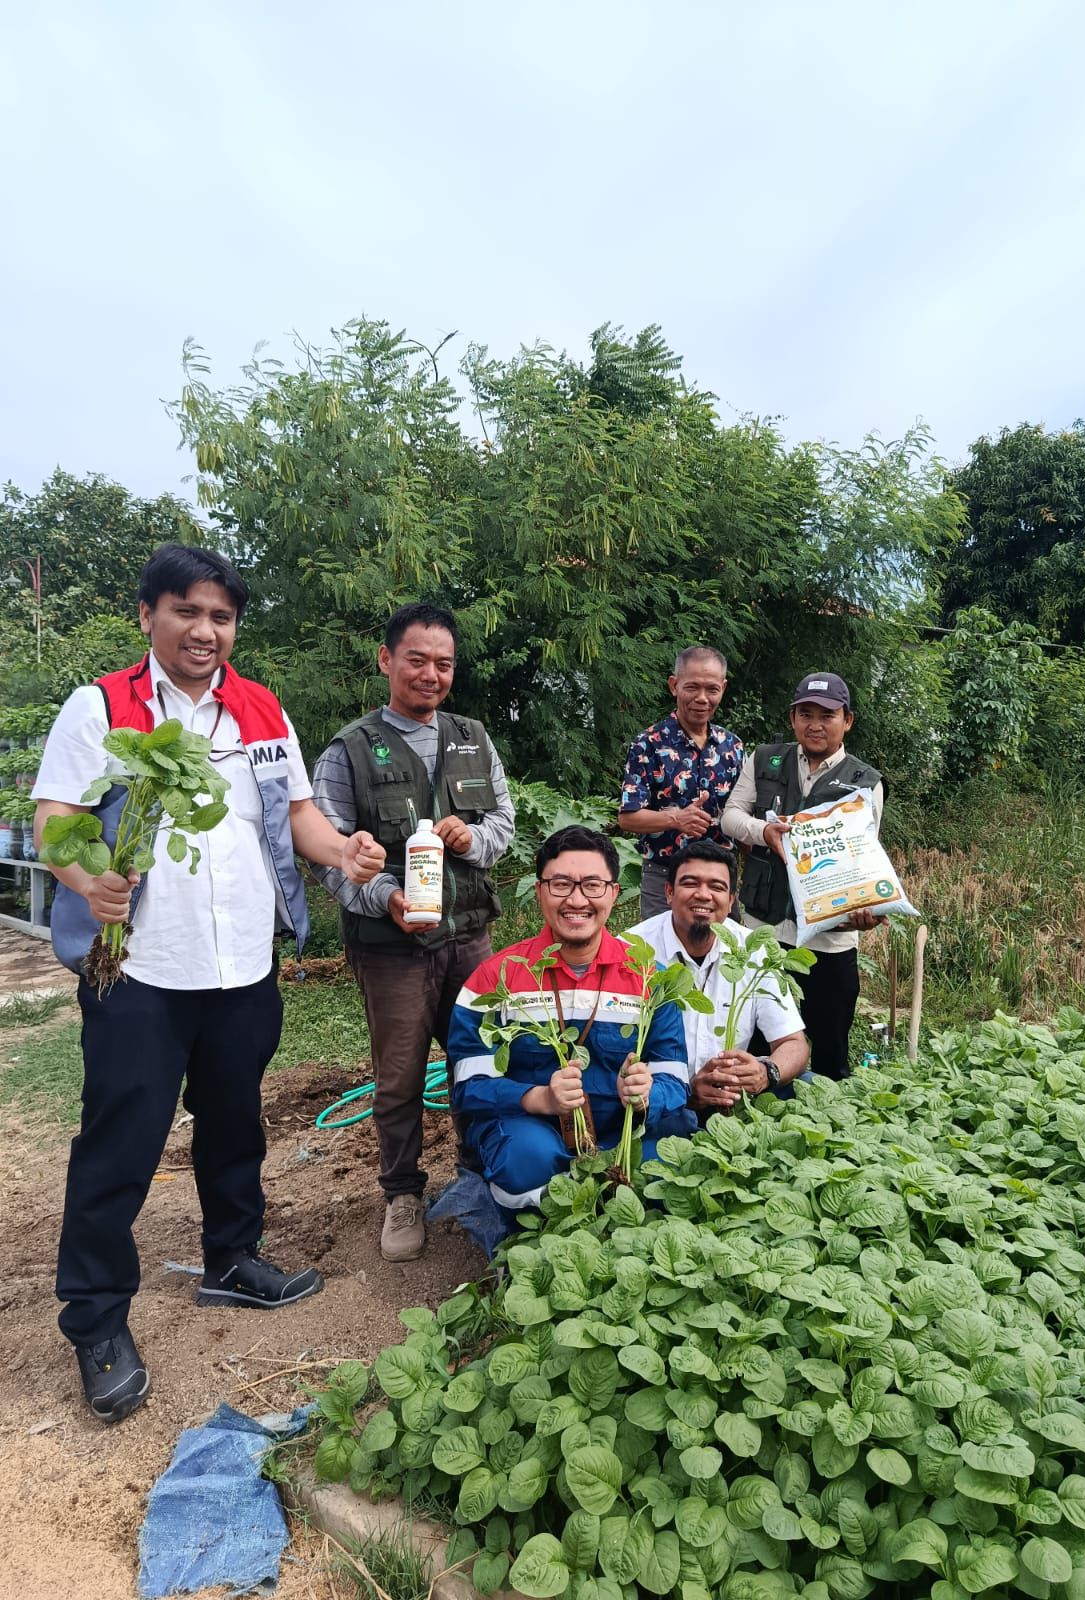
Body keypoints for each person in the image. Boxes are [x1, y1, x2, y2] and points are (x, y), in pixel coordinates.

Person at [33, 543, 386, 1425]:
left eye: (220, 617)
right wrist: (88, 881)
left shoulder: (259, 708)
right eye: (186, 611)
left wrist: (342, 850)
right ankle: (96, 1319)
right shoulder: (103, 706)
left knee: (234, 1127)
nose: (204, 630)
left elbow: (296, 813)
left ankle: (232, 1259)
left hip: (242, 968)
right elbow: (54, 820)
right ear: (147, 615)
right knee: (121, 1144)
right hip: (141, 971)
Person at [310, 602, 514, 1264]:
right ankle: (401, 1192)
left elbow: (504, 824)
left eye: (443, 664)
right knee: (398, 1077)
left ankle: (479, 1174)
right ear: (387, 660)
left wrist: (472, 837)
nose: (431, 674)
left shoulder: (472, 737)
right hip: (392, 947)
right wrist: (383, 897)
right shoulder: (349, 750)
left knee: (478, 1061)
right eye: (417, 660)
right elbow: (325, 852)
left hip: (469, 937)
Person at [446, 826, 690, 1213]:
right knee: (526, 1158)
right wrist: (539, 1097)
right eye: (560, 884)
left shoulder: (649, 978)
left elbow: (674, 1076)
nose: (576, 900)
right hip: (534, 1128)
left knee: (672, 1157)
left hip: (623, 1128)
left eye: (592, 885)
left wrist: (648, 1093)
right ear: (540, 891)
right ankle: (544, 1227)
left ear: (613, 893)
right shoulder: (495, 978)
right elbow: (469, 1086)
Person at [721, 672, 883, 1080]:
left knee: (829, 1046)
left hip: (829, 940)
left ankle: (828, 1110)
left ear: (847, 721)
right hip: (762, 929)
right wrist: (763, 832)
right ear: (793, 718)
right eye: (806, 714)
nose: (815, 724)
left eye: (827, 715)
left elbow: (863, 859)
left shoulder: (866, 781)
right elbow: (731, 816)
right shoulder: (764, 759)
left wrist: (866, 908)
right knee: (755, 1042)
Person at [625, 840, 809, 1112]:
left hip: (731, 1096)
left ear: (731, 900)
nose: (703, 895)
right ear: (669, 892)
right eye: (690, 883)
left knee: (806, 1083)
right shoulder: (632, 950)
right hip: (658, 1100)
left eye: (717, 887)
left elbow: (794, 1044)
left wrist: (765, 1072)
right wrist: (684, 1092)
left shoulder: (753, 950)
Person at [618, 646, 744, 919]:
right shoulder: (648, 744)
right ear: (674, 686)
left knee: (725, 946)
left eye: (712, 689)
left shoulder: (732, 746)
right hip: (665, 875)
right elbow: (628, 818)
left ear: (723, 688)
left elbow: (743, 812)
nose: (702, 698)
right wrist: (675, 819)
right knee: (659, 946)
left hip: (719, 877)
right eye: (692, 687)